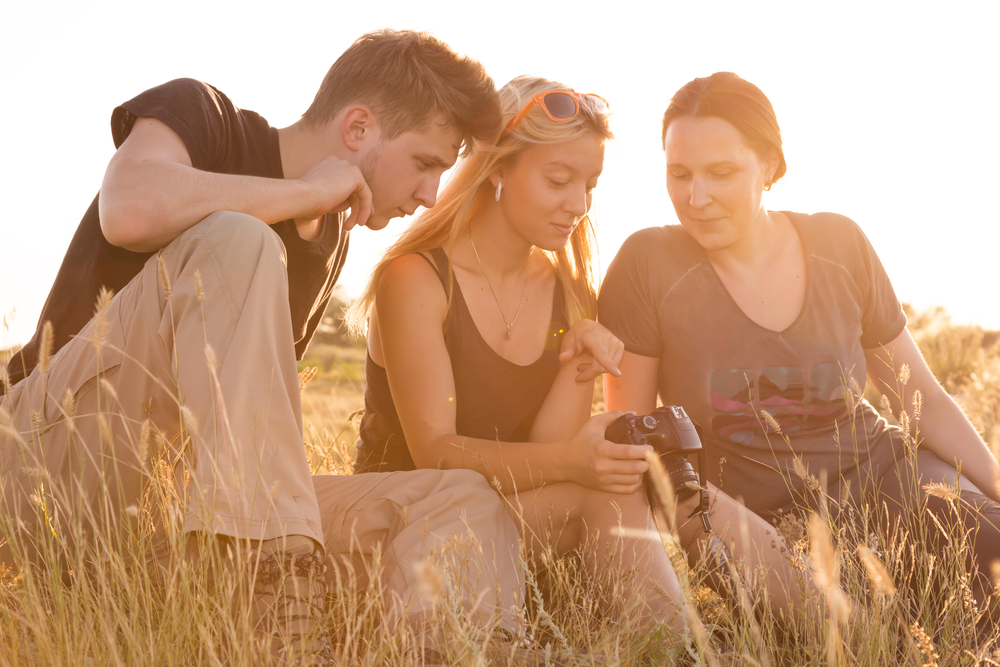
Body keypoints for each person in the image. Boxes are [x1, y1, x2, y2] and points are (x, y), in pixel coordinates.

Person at [0, 30, 525, 664]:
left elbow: (248, 422)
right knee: (239, 242)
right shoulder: (205, 116)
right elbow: (130, 209)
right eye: (425, 163)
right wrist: (304, 195)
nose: (430, 195)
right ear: (358, 128)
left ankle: (443, 649)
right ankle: (277, 616)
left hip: (175, 518)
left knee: (462, 497)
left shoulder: (330, 239)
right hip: (37, 471)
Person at [599, 71, 1000, 620]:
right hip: (761, 525)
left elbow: (920, 399)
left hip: (888, 479)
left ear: (771, 166)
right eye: (679, 173)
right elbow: (637, 443)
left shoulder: (840, 243)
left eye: (721, 173)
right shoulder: (647, 264)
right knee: (859, 635)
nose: (696, 197)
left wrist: (997, 495)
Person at [349, 75, 693, 635]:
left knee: (608, 487)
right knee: (595, 489)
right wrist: (573, 462)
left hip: (499, 517)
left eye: (591, 185)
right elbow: (434, 453)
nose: (579, 204)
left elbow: (542, 458)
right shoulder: (414, 278)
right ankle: (671, 644)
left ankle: (664, 644)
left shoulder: (569, 291)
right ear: (498, 169)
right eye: (559, 180)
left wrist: (577, 372)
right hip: (403, 520)